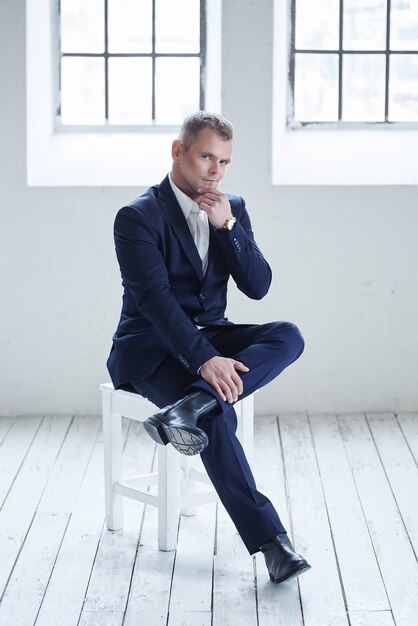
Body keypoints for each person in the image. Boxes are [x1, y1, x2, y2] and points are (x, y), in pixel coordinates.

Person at [107, 111, 311, 584]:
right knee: (219, 416)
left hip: (211, 333)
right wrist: (205, 358)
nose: (215, 171)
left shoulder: (230, 205)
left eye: (223, 162)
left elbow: (258, 287)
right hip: (150, 346)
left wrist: (228, 228)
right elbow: (155, 302)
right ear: (178, 152)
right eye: (205, 157)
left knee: (288, 335)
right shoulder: (138, 216)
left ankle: (191, 405)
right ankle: (272, 544)